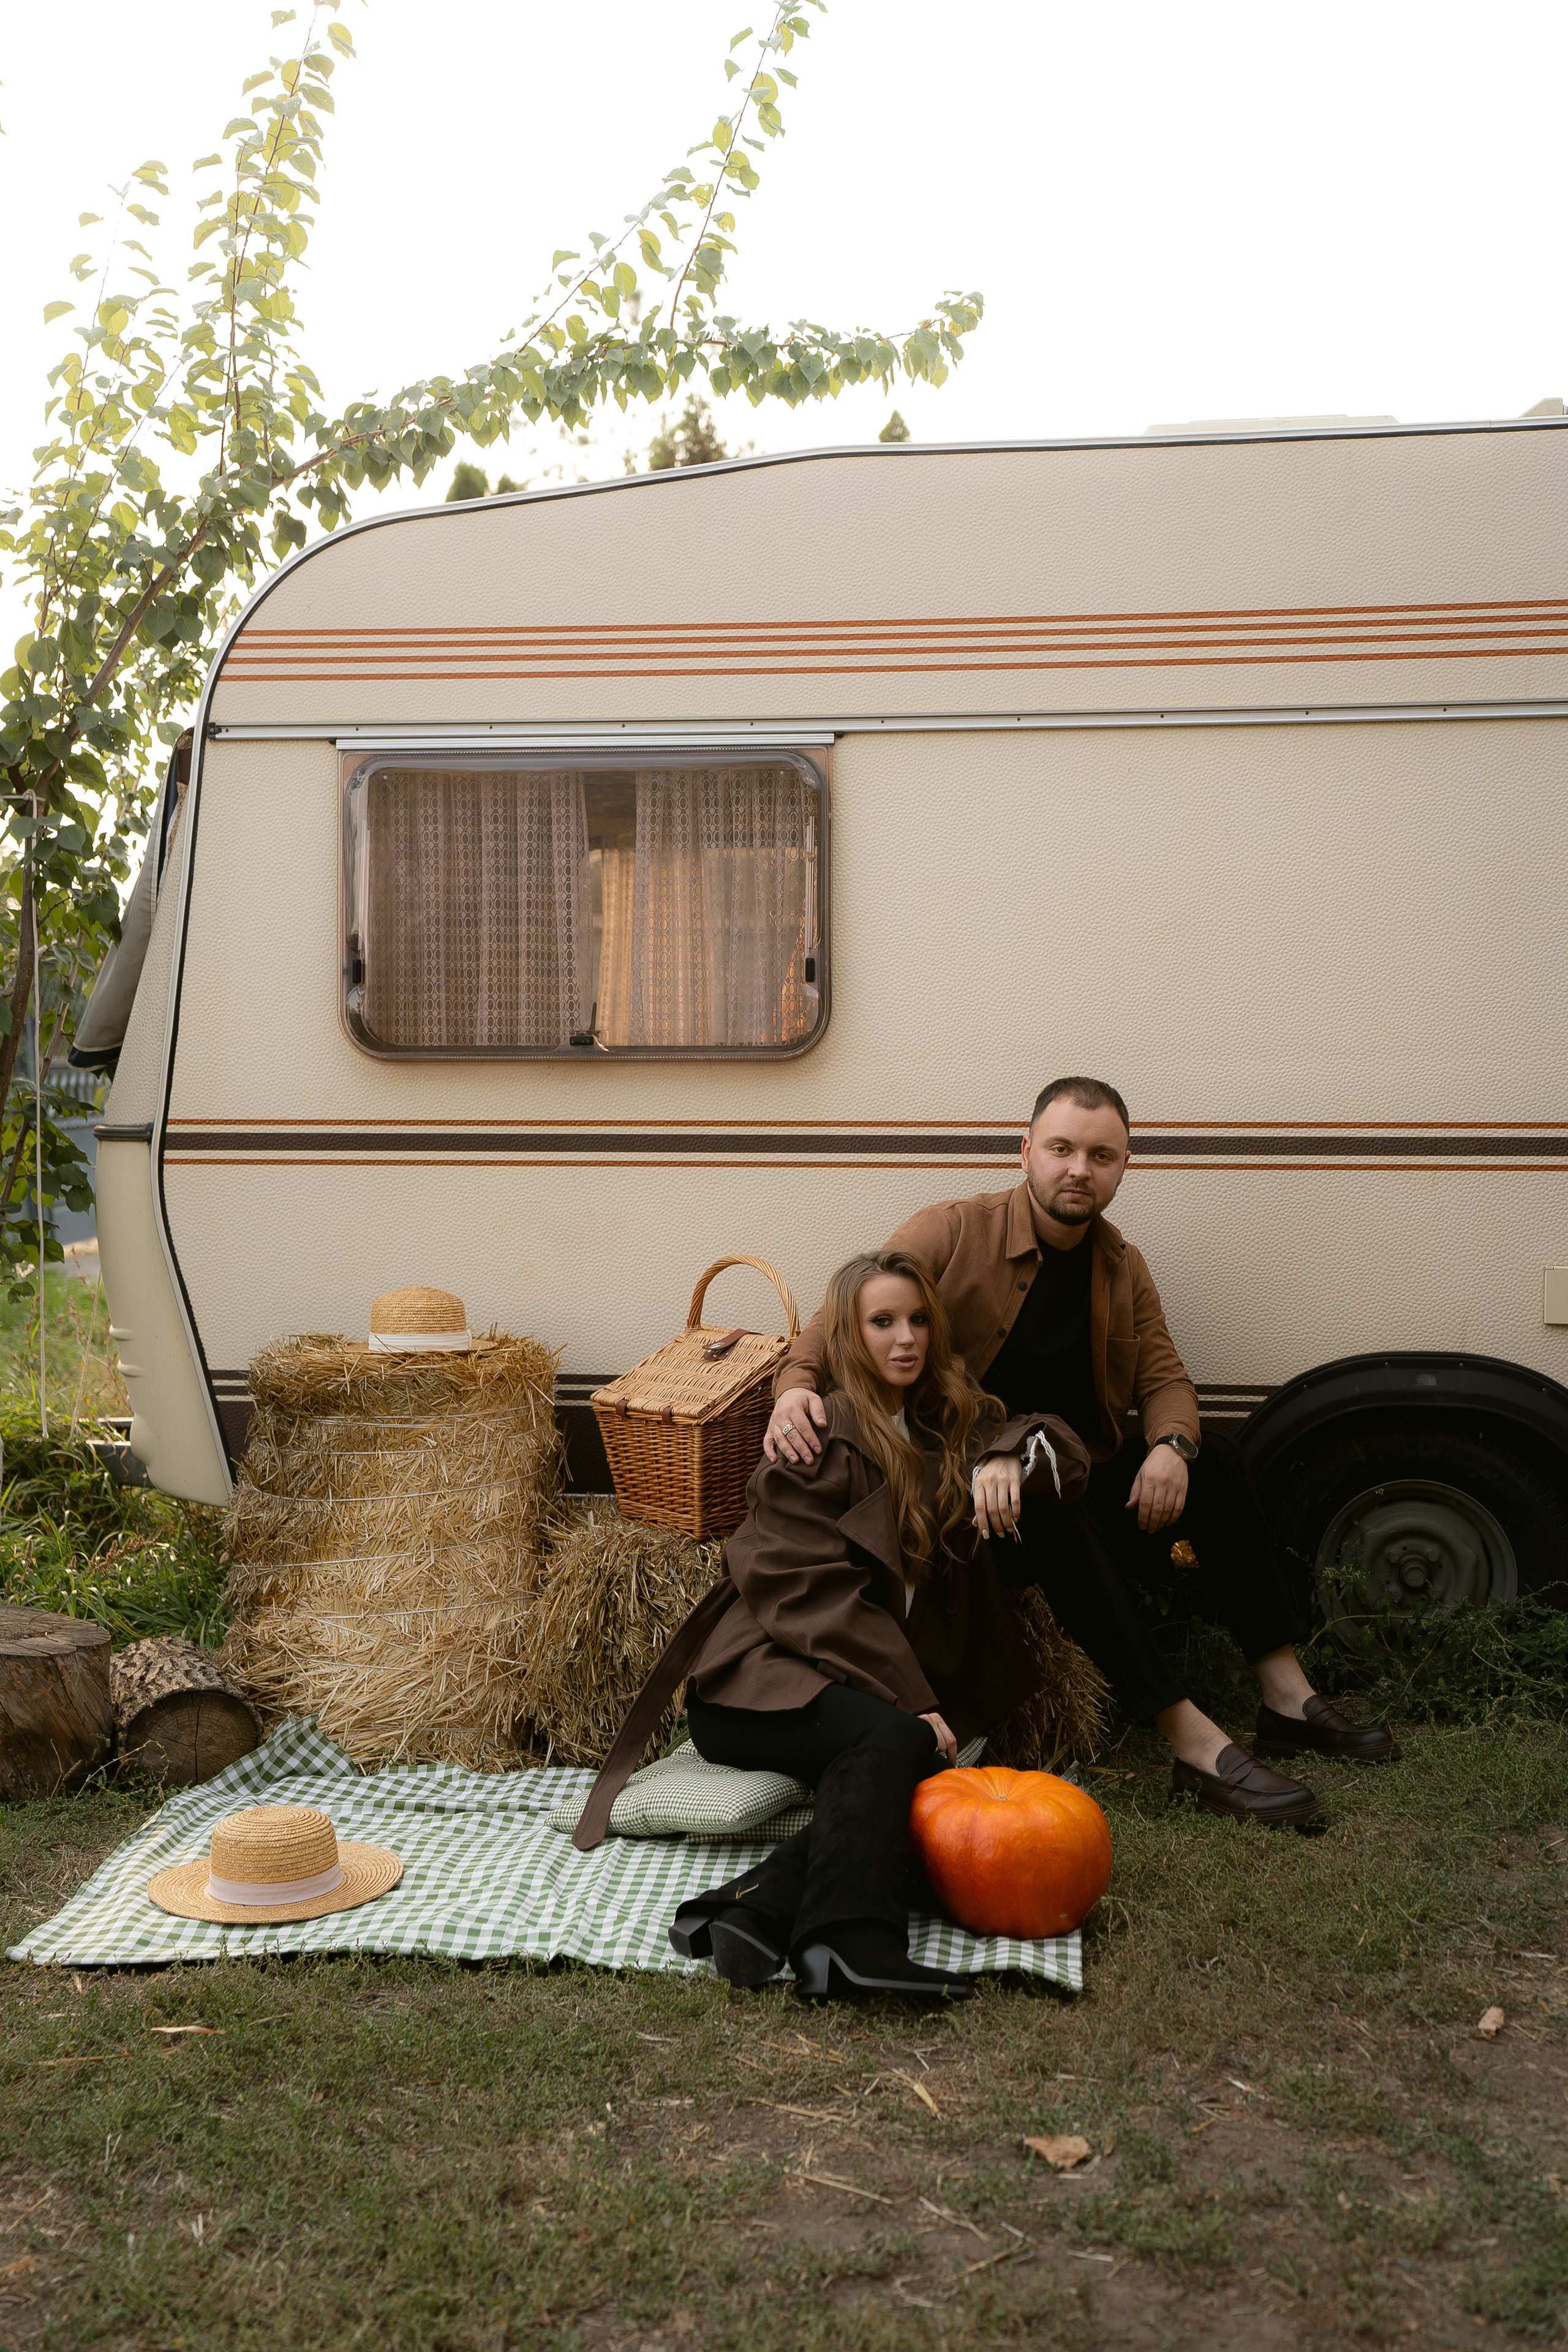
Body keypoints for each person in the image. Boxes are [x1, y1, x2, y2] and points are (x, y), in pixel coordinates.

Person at [766, 1077, 1400, 1831]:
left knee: (1217, 1462)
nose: (1078, 1169)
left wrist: (1170, 1446)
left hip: (1069, 1469)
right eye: (1061, 1149)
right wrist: (792, 1386)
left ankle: (1285, 1696)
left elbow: (1164, 1376)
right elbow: (844, 1314)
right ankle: (1189, 1739)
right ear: (1025, 1151)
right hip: (968, 1498)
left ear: (1123, 1165)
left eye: (1100, 1156)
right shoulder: (952, 1231)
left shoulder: (1120, 1266)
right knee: (1052, 1509)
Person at [572, 1249, 1090, 2000]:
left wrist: (1007, 1455)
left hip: (852, 1685)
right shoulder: (814, 1438)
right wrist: (911, 1701)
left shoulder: (948, 1427)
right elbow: (809, 1595)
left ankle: (755, 1907)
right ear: (849, 1335)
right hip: (760, 1686)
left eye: (917, 1321)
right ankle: (852, 1945)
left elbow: (1069, 1459)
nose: (904, 1338)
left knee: (895, 1782)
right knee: (901, 1743)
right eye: (881, 1322)